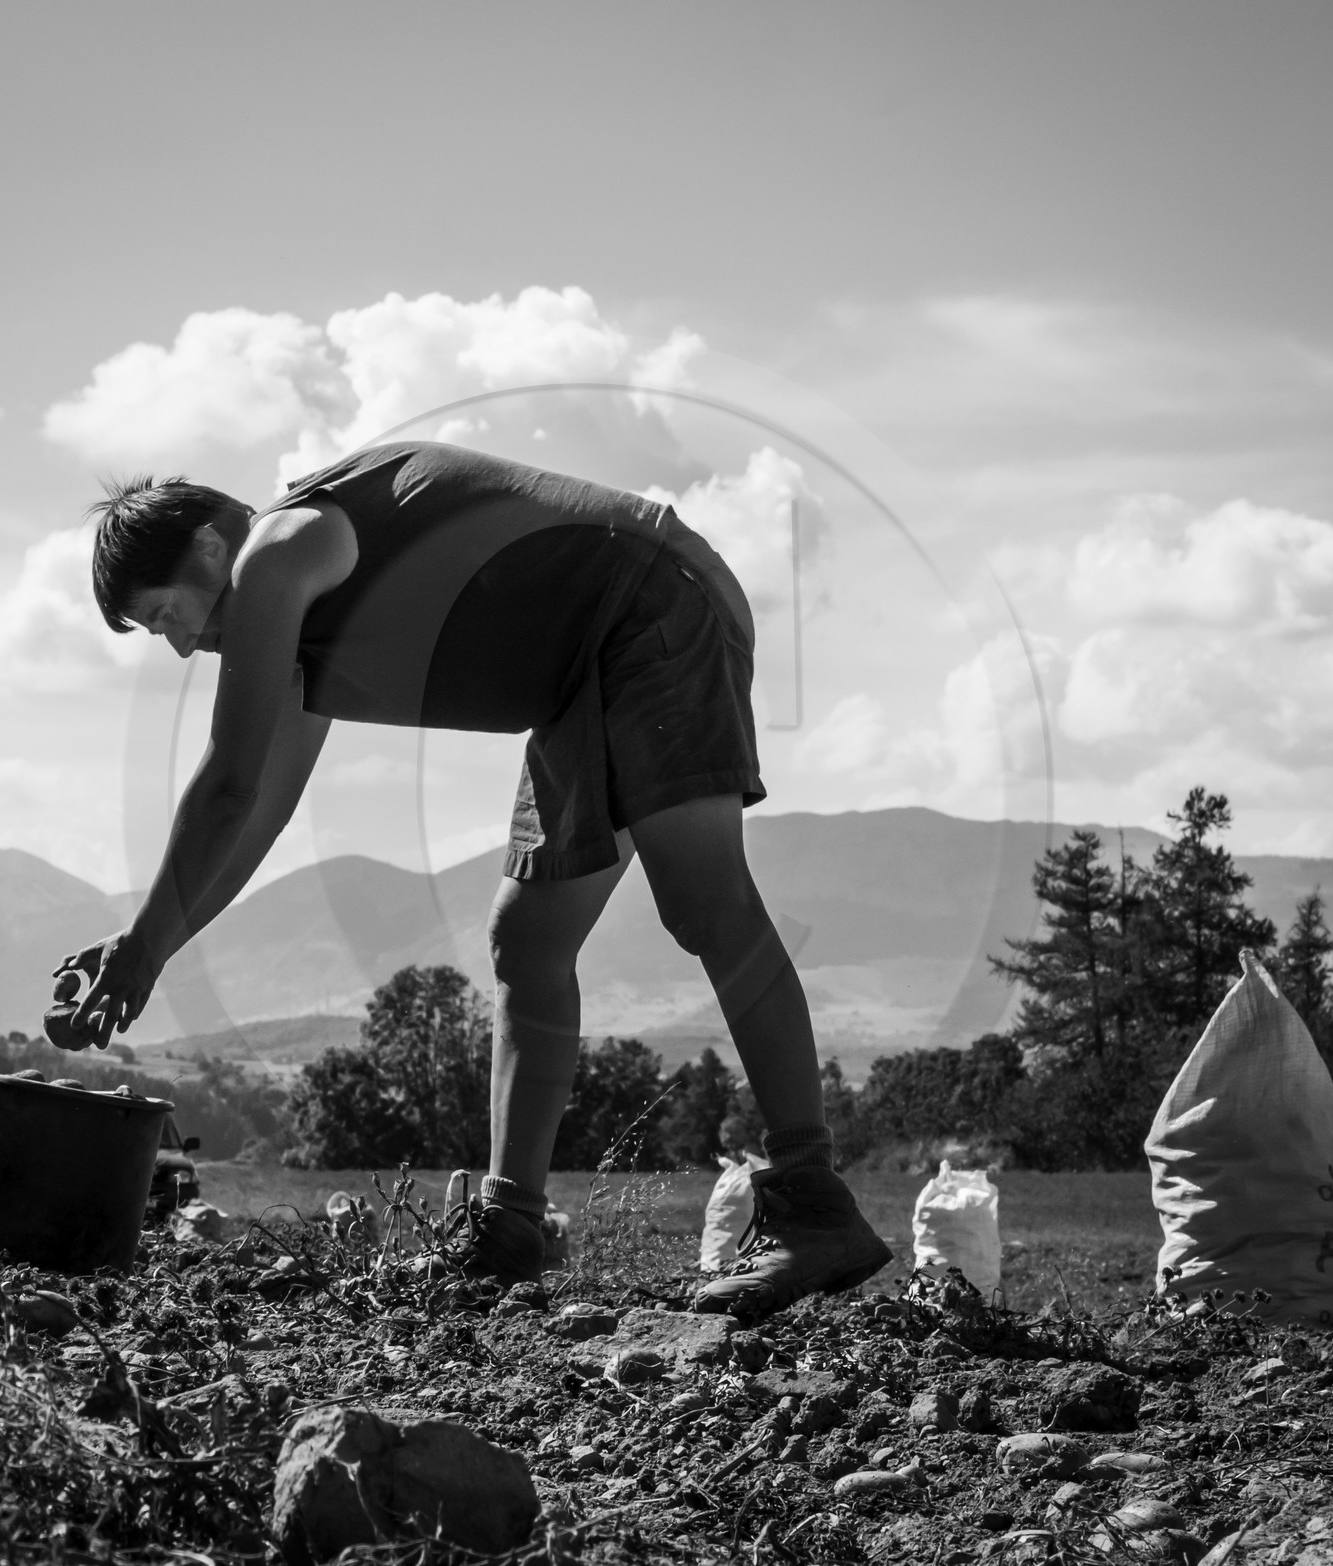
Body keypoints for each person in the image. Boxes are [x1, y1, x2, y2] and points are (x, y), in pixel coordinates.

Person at [59, 441, 891, 1315]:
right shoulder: (293, 631)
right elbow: (257, 812)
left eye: (165, 618)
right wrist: (146, 946)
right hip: (582, 670)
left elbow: (228, 782)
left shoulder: (277, 551)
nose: (185, 647)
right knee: (527, 941)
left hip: (652, 598)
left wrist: (144, 947)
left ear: (206, 551)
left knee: (705, 898)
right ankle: (508, 1231)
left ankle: (813, 1201)